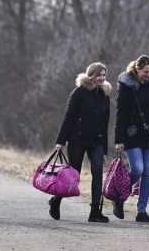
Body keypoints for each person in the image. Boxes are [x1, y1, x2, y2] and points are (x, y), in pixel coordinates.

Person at [49, 62, 112, 223]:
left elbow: (105, 123)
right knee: (73, 175)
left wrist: (104, 149)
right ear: (90, 75)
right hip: (78, 139)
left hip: (96, 140)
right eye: (99, 75)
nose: (102, 78)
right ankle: (56, 200)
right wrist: (60, 141)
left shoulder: (105, 95)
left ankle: (95, 212)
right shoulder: (79, 93)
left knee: (97, 171)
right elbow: (69, 117)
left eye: (104, 75)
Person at [113, 55, 149, 223]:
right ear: (137, 69)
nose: (148, 75)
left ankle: (142, 211)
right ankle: (119, 197)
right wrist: (119, 139)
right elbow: (121, 114)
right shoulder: (126, 86)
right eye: (145, 71)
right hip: (132, 135)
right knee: (138, 169)